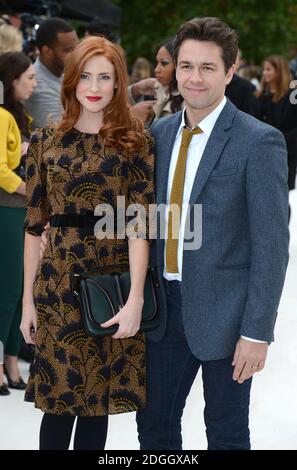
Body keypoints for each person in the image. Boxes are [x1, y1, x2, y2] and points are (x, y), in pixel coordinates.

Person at [136, 17, 289, 450]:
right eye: (186, 66)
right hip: (163, 312)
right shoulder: (160, 134)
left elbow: (272, 245)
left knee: (225, 433)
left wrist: (257, 333)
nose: (194, 77)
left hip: (227, 316)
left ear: (229, 70)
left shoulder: (259, 141)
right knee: (154, 430)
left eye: (207, 67)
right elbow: (145, 220)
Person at [20, 35, 154, 450]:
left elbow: (140, 227)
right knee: (57, 405)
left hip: (109, 287)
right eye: (85, 76)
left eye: (105, 77)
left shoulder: (135, 143)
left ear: (118, 84)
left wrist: (134, 300)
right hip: (57, 287)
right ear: (71, 80)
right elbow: (33, 227)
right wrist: (27, 300)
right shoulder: (46, 141)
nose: (93, 86)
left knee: (98, 404)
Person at [0, 51, 37, 396]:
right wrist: (30, 189)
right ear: (12, 80)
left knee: (20, 288)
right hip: (8, 209)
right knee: (10, 289)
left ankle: (11, 360)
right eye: (29, 77)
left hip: (20, 210)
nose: (34, 83)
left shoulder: (20, 116)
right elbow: (0, 170)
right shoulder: (1, 116)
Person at [255, 55, 297, 195]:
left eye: (268, 69)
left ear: (279, 71)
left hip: (285, 154)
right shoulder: (260, 96)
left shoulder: (292, 96)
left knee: (281, 196)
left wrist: (279, 140)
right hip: (262, 154)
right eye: (263, 69)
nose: (264, 73)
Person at [26, 18, 78, 129]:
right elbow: (61, 137)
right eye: (68, 50)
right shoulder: (38, 86)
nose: (75, 55)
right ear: (47, 52)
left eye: (76, 48)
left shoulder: (63, 72)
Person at [152, 38, 183, 122]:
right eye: (157, 63)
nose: (156, 69)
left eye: (164, 63)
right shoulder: (157, 94)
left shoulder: (190, 104)